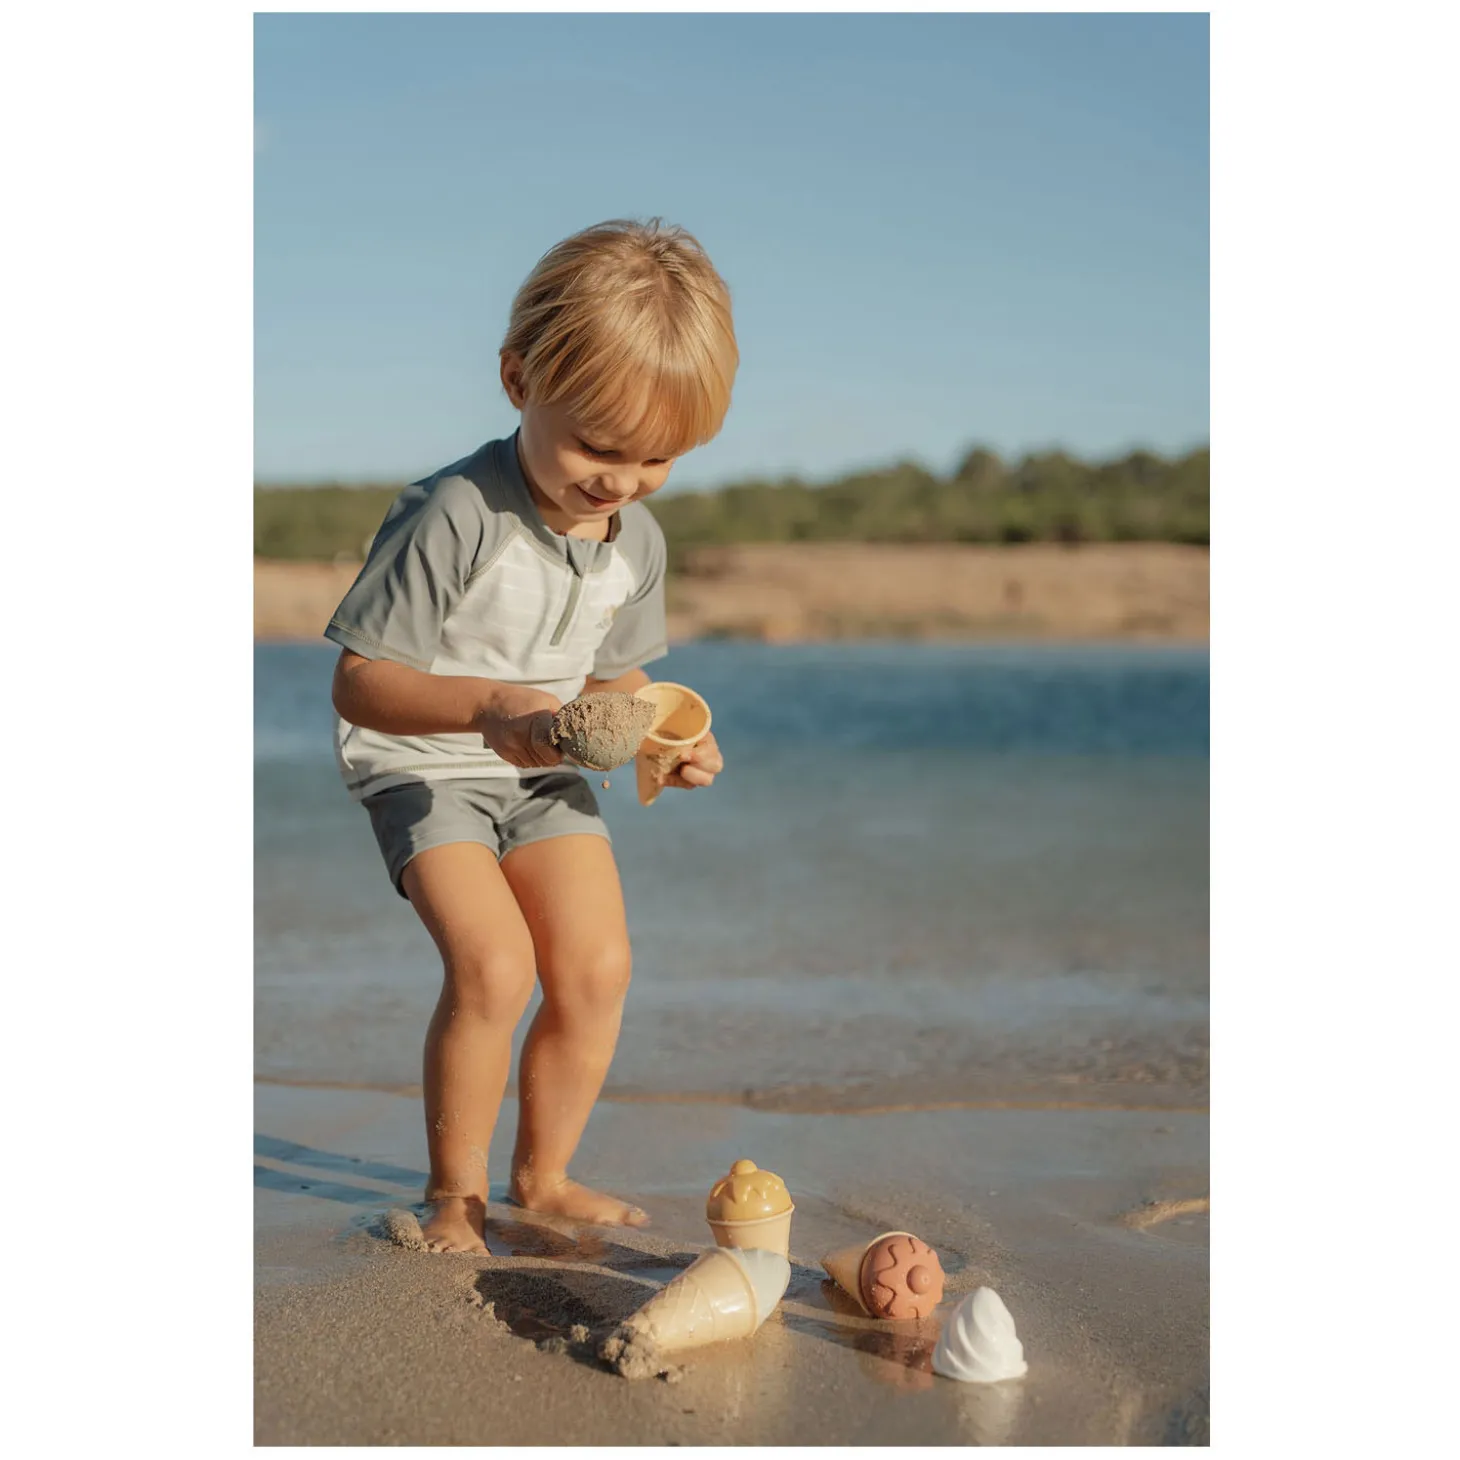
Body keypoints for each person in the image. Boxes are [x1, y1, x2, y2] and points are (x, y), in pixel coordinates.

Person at [325, 219, 734, 1253]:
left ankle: (543, 1175)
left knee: (594, 965)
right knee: (495, 967)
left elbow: (615, 677)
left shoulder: (633, 539)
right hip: (426, 765)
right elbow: (361, 679)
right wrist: (485, 708)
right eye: (597, 446)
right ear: (517, 378)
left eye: (656, 460)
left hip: (542, 766)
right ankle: (452, 1196)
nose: (619, 481)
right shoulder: (452, 512)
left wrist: (663, 740)